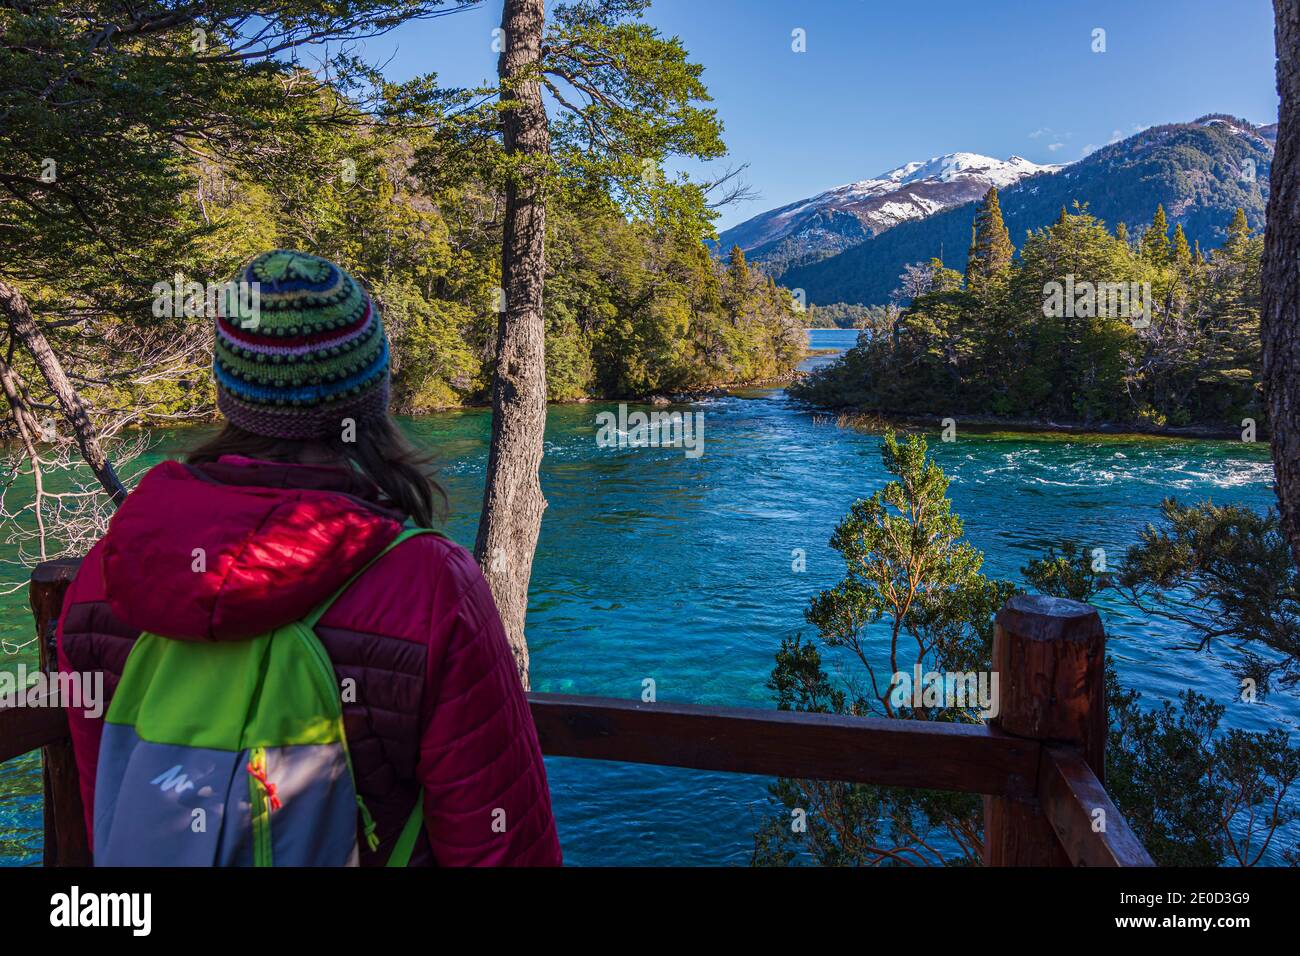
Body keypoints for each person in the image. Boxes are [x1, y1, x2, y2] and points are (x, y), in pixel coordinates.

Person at [56, 249, 562, 866]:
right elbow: (501, 846)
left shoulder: (108, 572)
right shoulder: (430, 585)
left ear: (227, 395)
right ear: (372, 399)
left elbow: (102, 804)